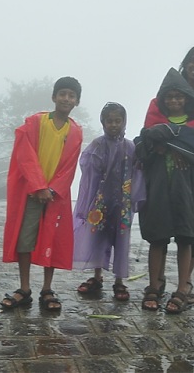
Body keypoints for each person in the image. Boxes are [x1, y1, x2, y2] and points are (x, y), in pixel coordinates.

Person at [144, 44, 194, 307]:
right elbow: (152, 127)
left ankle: (184, 284)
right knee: (162, 227)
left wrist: (175, 143)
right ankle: (158, 282)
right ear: (186, 63)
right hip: (165, 173)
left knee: (191, 229)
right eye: (193, 60)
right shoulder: (165, 95)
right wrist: (173, 141)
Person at [0, 76, 83, 312]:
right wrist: (38, 186)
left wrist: (52, 189)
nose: (66, 98)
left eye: (71, 95)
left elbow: (69, 166)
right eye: (63, 93)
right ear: (54, 97)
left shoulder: (75, 131)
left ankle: (47, 288)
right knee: (25, 240)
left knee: (52, 241)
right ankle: (24, 288)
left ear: (77, 101)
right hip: (32, 192)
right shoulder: (35, 122)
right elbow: (25, 155)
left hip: (55, 196)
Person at [73, 102, 145, 302]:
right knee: (99, 237)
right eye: (109, 121)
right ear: (103, 123)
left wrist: (135, 198)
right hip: (101, 203)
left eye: (117, 121)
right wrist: (88, 202)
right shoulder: (97, 145)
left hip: (123, 204)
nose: (113, 125)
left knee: (122, 240)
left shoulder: (130, 147)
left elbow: (138, 172)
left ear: (124, 122)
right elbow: (89, 175)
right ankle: (97, 276)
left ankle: (119, 280)